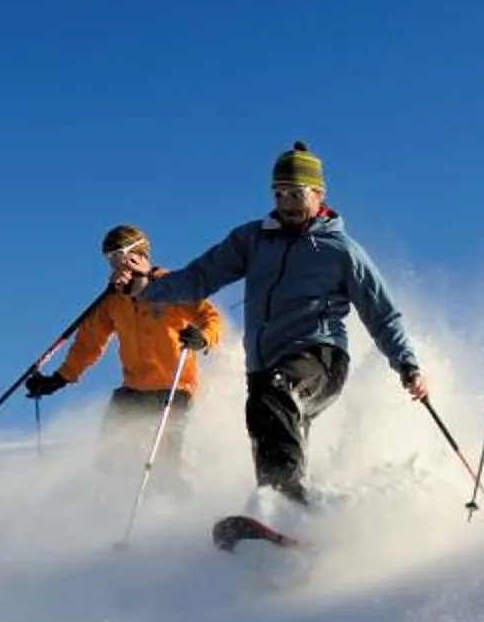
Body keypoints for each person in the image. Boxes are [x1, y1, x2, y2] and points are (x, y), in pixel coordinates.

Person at [127, 141, 428, 506]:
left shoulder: (340, 250)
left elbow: (381, 312)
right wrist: (148, 288)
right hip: (263, 367)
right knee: (264, 415)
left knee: (275, 393)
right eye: (279, 193)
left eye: (296, 194)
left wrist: (407, 364)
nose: (287, 204)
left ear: (318, 193)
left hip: (321, 356)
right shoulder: (252, 240)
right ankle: (282, 526)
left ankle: (286, 505)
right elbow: (200, 277)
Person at [22, 225, 227, 484]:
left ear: (139, 255)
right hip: (133, 389)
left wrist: (204, 336)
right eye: (110, 260)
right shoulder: (113, 301)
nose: (116, 266)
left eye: (120, 257)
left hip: (174, 388)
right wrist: (59, 378)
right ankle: (115, 502)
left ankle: (173, 509)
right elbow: (88, 344)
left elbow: (209, 316)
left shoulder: (170, 286)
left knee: (163, 463)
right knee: (111, 457)